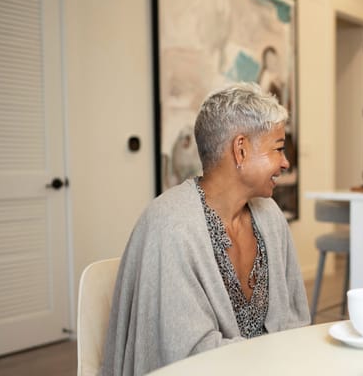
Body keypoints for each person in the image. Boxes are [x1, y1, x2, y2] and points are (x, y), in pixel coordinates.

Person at [100, 82, 310, 375]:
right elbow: (186, 355)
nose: (285, 162)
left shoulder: (270, 216)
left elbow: (294, 322)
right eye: (278, 149)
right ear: (241, 150)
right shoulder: (170, 227)